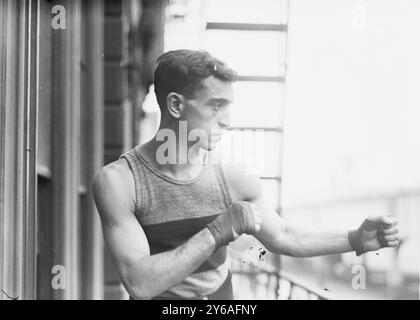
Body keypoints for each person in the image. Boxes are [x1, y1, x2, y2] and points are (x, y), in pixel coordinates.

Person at [92, 49, 399, 300]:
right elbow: (139, 283)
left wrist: (355, 238)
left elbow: (283, 236)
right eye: (216, 106)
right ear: (175, 105)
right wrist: (216, 232)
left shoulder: (233, 176)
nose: (227, 120)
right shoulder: (119, 182)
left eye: (228, 106)